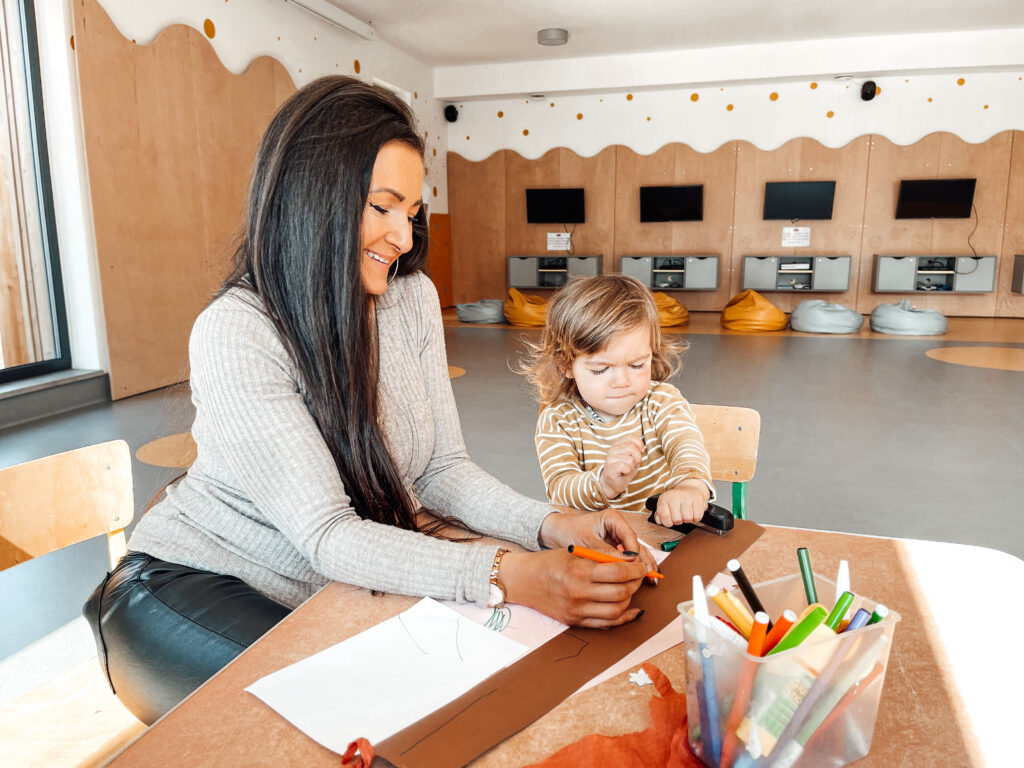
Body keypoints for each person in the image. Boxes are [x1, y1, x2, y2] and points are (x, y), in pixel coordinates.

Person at [83, 76, 656, 726]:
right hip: (186, 589)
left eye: (411, 211)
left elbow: (442, 469)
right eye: (383, 207)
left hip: (324, 586)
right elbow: (328, 534)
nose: (404, 236)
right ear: (313, 199)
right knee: (361, 722)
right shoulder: (238, 329)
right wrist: (511, 571)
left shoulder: (410, 300)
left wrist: (551, 525)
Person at [520, 274, 715, 526]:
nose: (622, 381)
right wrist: (603, 483)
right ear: (566, 365)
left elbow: (686, 446)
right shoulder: (558, 419)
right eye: (601, 369)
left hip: (660, 532)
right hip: (591, 536)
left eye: (636, 365)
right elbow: (559, 487)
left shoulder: (661, 401)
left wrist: (691, 486)